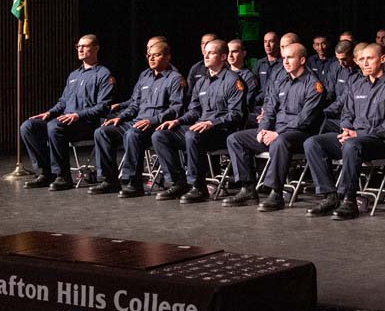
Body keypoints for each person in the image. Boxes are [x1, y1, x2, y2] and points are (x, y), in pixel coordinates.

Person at [303, 43, 385, 221]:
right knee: (313, 142)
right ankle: (330, 195)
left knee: (351, 144)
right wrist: (346, 129)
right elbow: (347, 113)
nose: (365, 63)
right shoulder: (356, 84)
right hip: (354, 139)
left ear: (382, 59)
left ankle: (349, 199)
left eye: (370, 58)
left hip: (378, 142)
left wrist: (357, 135)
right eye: (362, 59)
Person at [223, 43, 324, 211]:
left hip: (299, 134)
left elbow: (305, 119)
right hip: (275, 131)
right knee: (235, 139)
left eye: (290, 57)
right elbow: (269, 108)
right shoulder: (281, 81)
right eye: (284, 58)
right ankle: (248, 188)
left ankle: (275, 193)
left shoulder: (313, 85)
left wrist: (277, 133)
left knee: (280, 141)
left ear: (302, 59)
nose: (285, 61)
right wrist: (262, 129)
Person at [151, 39, 246, 204]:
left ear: (223, 56)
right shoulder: (201, 82)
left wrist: (212, 123)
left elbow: (237, 115)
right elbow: (194, 111)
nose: (206, 55)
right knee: (160, 135)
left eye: (211, 52)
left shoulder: (233, 81)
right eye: (205, 52)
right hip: (199, 128)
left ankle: (198, 186)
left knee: (192, 135)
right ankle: (177, 182)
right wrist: (178, 121)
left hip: (222, 131)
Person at [91, 39, 185, 197]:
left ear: (168, 57)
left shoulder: (175, 78)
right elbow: (135, 104)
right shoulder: (145, 77)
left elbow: (177, 108)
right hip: (137, 121)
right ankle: (109, 180)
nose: (152, 58)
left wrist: (152, 120)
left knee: (132, 134)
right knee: (102, 132)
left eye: (157, 55)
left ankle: (133, 182)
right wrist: (120, 118)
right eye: (149, 55)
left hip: (157, 124)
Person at [21, 34, 115, 190]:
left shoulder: (104, 74)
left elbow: (103, 107)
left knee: (54, 126)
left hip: (87, 123)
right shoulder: (74, 75)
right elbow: (63, 102)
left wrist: (78, 115)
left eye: (85, 46)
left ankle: (62, 177)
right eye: (78, 46)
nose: (80, 49)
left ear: (96, 48)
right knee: (28, 126)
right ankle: (45, 173)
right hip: (65, 121)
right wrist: (49, 113)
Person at [227, 39, 261, 128]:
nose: (230, 55)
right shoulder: (221, 74)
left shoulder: (248, 77)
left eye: (234, 52)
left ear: (243, 53)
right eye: (228, 51)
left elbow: (245, 103)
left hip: (236, 116)